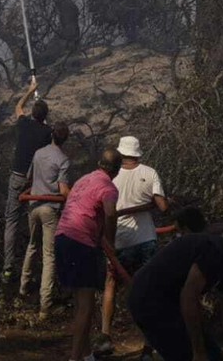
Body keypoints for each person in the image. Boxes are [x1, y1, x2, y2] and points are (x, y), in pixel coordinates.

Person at [126, 223, 223, 361]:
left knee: (212, 355)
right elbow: (188, 298)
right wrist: (198, 353)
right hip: (149, 300)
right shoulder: (213, 251)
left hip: (165, 302)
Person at [98, 135, 169, 350]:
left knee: (110, 284)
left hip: (118, 239)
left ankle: (105, 338)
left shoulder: (110, 176)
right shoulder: (150, 173)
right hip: (146, 238)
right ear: (138, 153)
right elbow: (163, 207)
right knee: (147, 289)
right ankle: (149, 341)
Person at [55, 148, 121, 361]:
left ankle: (86, 355)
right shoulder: (108, 186)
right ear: (117, 171)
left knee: (81, 303)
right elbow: (110, 213)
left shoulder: (84, 179)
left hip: (62, 236)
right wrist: (110, 241)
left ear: (99, 163)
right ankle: (75, 358)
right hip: (80, 242)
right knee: (86, 305)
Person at [20, 121, 73, 316]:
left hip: (33, 206)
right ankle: (46, 305)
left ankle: (23, 287)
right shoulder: (63, 160)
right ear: (65, 139)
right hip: (49, 209)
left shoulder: (38, 153)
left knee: (32, 246)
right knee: (49, 255)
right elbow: (63, 189)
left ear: (52, 135)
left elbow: (29, 177)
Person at [3, 77, 52, 284]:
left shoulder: (23, 124)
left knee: (11, 221)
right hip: (34, 182)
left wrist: (30, 90)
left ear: (33, 114)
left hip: (17, 177)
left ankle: (7, 269)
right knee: (35, 221)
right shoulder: (47, 133)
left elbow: (18, 106)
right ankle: (32, 265)